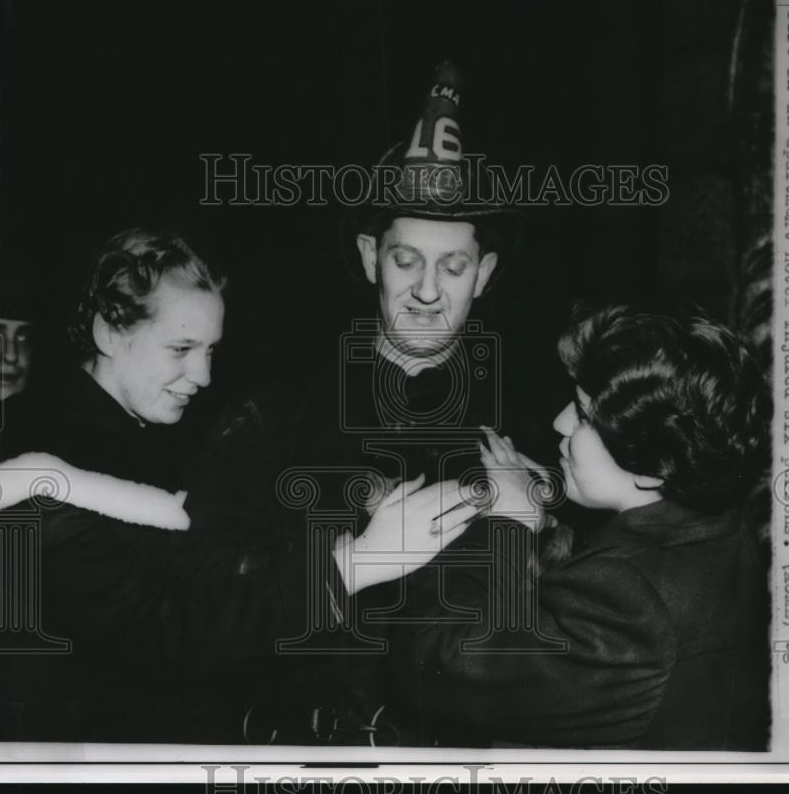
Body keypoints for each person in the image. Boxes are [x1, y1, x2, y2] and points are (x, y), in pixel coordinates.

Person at [0, 228, 475, 744]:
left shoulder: (145, 434)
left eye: (210, 351)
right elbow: (163, 637)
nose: (201, 376)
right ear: (109, 333)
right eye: (180, 348)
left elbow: (213, 570)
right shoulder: (33, 462)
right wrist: (356, 563)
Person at [188, 62, 541, 743]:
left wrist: (529, 536)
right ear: (368, 256)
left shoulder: (529, 431)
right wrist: (352, 559)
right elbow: (202, 606)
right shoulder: (271, 417)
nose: (429, 290)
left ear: (485, 274)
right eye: (407, 260)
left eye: (455, 265)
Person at [385, 304, 773, 750]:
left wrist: (503, 526)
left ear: (651, 467)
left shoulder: (630, 605)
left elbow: (431, 667)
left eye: (584, 416)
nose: (560, 422)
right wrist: (549, 515)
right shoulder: (718, 513)